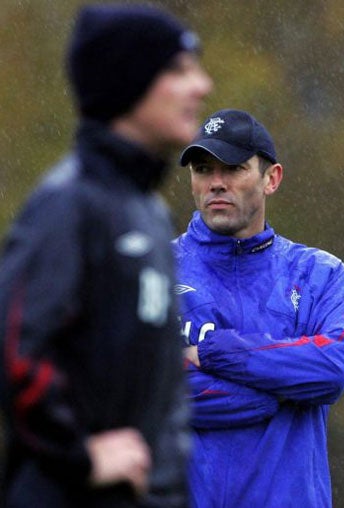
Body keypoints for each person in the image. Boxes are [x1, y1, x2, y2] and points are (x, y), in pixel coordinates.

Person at [0, 4, 212, 508]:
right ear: (129, 81)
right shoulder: (70, 203)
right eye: (179, 70)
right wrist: (78, 457)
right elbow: (12, 348)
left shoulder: (148, 211)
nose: (201, 85)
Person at [173, 108, 344, 508]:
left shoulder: (319, 274)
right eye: (204, 169)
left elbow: (330, 368)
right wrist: (276, 391)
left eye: (234, 168)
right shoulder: (154, 270)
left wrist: (214, 353)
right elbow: (144, 388)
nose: (216, 183)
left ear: (271, 178)